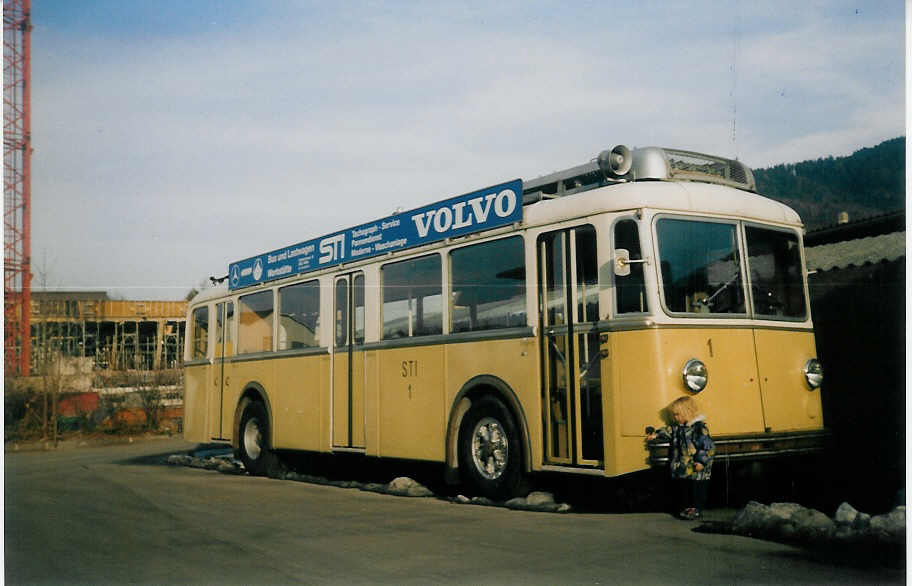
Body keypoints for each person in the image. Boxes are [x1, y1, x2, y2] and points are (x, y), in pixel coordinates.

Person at [646, 396, 714, 520]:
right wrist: (656, 434)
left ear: (687, 413)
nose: (674, 418)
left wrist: (701, 462)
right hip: (683, 467)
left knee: (697, 489)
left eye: (677, 414)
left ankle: (696, 509)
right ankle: (686, 508)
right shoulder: (678, 428)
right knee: (685, 489)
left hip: (696, 468)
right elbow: (668, 431)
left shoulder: (699, 429)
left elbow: (707, 447)